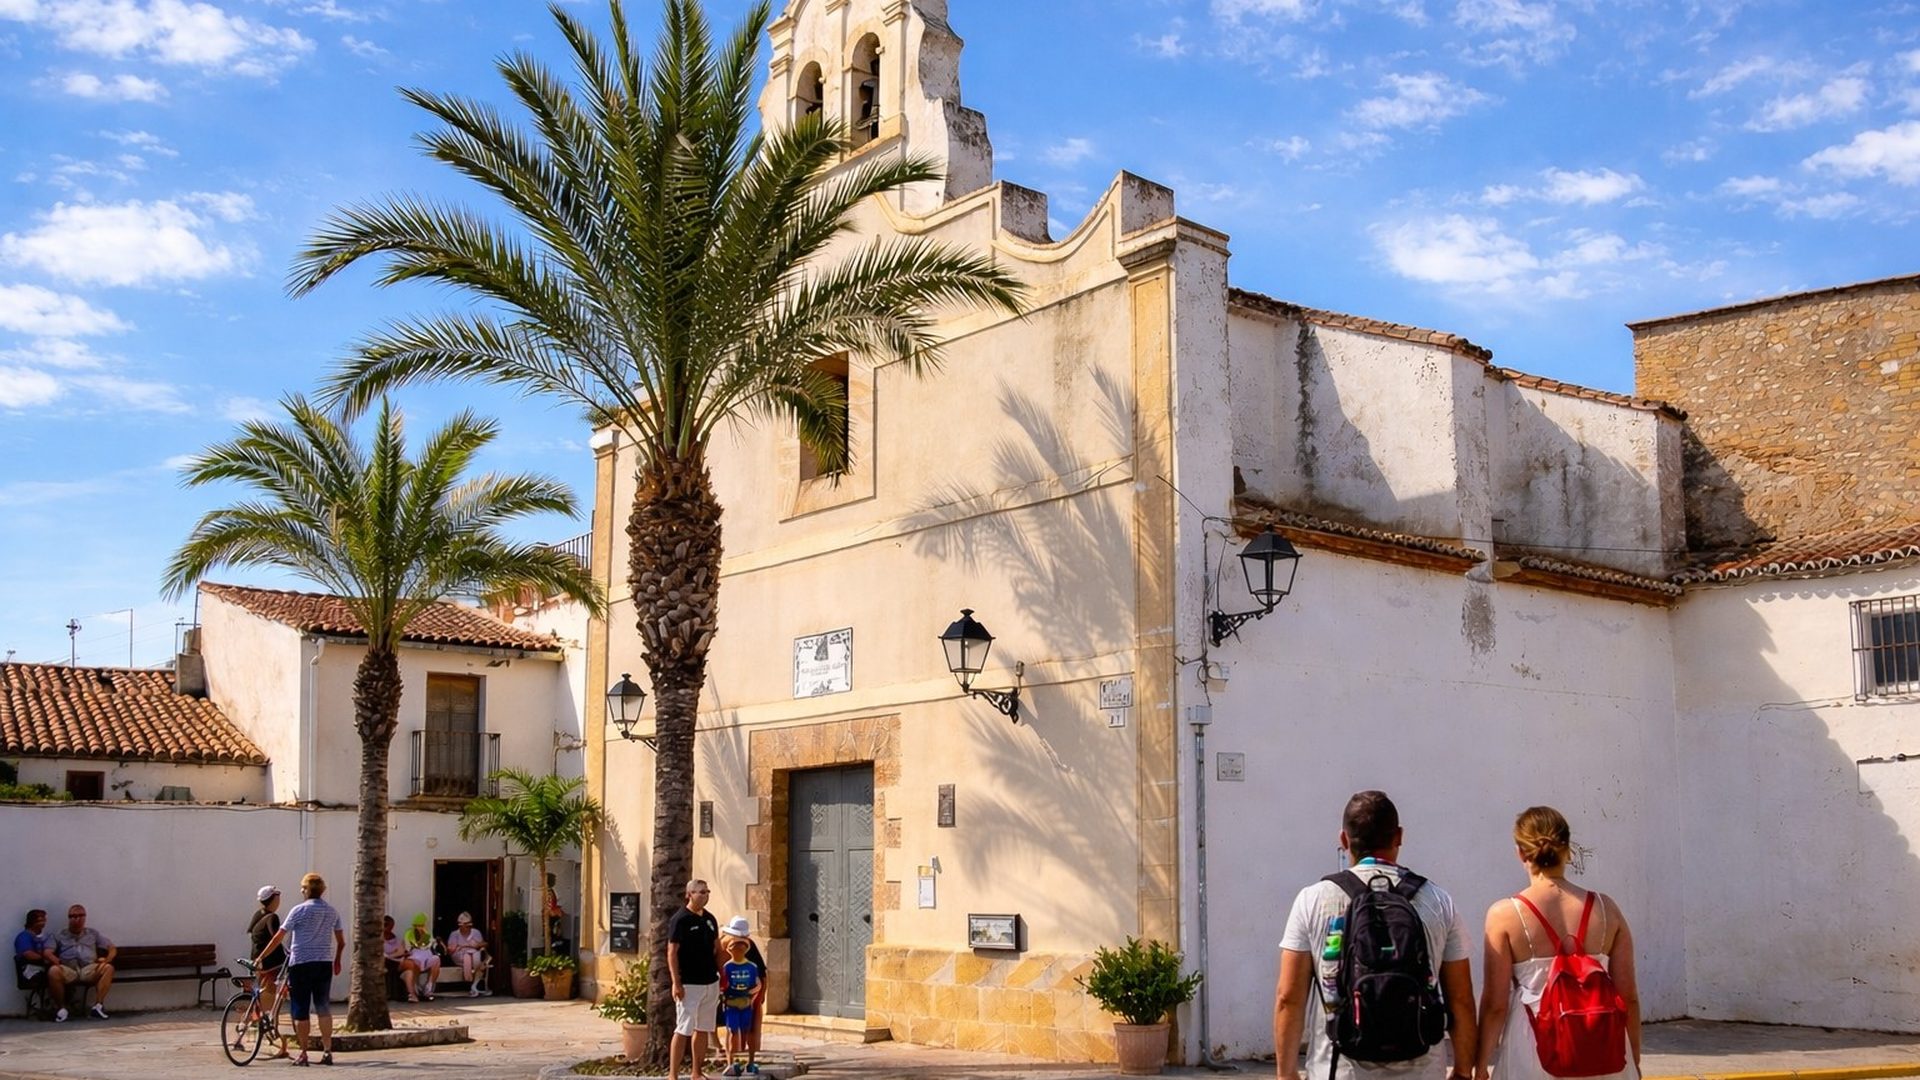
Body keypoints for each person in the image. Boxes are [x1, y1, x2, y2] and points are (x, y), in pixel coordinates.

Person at [1273, 791, 1477, 1080]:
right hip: (1422, 1069)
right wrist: (1464, 1070)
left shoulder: (1313, 899)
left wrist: (1286, 1073)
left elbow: (1289, 997)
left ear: (1344, 840)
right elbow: (1461, 999)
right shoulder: (1437, 900)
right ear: (1399, 836)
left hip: (1339, 1069)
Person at [1473, 806, 1641, 1080]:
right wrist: (1634, 1059)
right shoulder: (1606, 909)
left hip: (1534, 1048)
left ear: (1521, 853)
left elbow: (1495, 1004)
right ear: (1567, 850)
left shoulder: (1505, 915)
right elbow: (1629, 996)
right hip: (1605, 1049)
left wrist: (1480, 1065)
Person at [255, 872, 344, 1067]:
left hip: (301, 963)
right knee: (323, 1008)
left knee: (300, 1009)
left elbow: (278, 937)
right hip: (324, 963)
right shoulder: (332, 912)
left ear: (306, 890)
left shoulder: (298, 911)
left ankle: (303, 1053)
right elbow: (341, 941)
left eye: (303, 888)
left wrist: (261, 957)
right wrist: (337, 960)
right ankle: (327, 1051)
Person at [666, 879, 720, 1080]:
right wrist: (676, 982)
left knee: (703, 1027)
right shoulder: (680, 920)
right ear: (689, 894)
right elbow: (672, 952)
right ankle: (673, 1075)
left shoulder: (710, 919)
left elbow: (717, 948)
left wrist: (722, 974)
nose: (705, 895)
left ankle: (696, 1072)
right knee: (683, 1028)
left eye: (707, 892)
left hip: (710, 981)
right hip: (689, 983)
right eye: (700, 892)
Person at [241, 887, 290, 1059]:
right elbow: (276, 938)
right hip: (272, 963)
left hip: (257, 961)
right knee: (274, 999)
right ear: (273, 900)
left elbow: (253, 934)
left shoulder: (258, 914)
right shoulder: (273, 917)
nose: (279, 901)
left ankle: (250, 1024)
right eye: (278, 897)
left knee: (264, 996)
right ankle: (270, 1032)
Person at [715, 916, 766, 1076]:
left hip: (746, 997)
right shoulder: (722, 948)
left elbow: (760, 975)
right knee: (732, 1029)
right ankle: (729, 1058)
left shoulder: (748, 952)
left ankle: (747, 1060)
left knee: (745, 1028)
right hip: (730, 997)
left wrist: (757, 993)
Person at [50, 904, 116, 1021]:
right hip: (68, 968)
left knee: (108, 968)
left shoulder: (92, 933)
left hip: (88, 968)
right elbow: (48, 951)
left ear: (85, 917)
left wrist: (107, 960)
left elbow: (111, 948)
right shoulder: (59, 935)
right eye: (73, 916)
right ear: (69, 918)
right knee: (53, 971)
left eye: (81, 915)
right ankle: (61, 1009)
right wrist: (53, 959)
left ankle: (98, 1007)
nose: (77, 919)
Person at [14, 909, 67, 1019]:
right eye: (41, 920)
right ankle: (57, 1008)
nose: (44, 922)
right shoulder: (24, 936)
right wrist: (44, 960)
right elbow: (28, 954)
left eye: (44, 919)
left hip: (44, 968)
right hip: (31, 970)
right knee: (55, 975)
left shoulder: (43, 936)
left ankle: (61, 1007)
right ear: (32, 921)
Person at [446, 912, 489, 997]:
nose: (464, 927)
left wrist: (477, 945)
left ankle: (474, 986)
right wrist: (455, 947)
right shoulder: (454, 934)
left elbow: (484, 944)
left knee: (476, 956)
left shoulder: (476, 932)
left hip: (474, 954)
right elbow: (450, 950)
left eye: (466, 925)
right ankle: (471, 983)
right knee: (468, 955)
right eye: (462, 925)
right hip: (459, 955)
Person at [382, 915, 422, 1002]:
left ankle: (412, 994)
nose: (390, 929)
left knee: (410, 970)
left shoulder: (395, 938)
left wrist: (399, 954)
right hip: (387, 962)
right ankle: (416, 988)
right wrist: (393, 954)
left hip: (397, 960)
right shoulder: (379, 939)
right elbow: (383, 955)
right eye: (388, 926)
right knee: (410, 964)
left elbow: (400, 951)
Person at [404, 913, 442, 1001]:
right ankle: (415, 987)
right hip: (415, 956)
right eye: (417, 925)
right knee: (415, 962)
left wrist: (426, 937)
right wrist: (418, 944)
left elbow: (429, 945)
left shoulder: (427, 933)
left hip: (427, 956)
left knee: (436, 959)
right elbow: (408, 947)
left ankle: (429, 987)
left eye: (421, 925)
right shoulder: (409, 933)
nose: (419, 927)